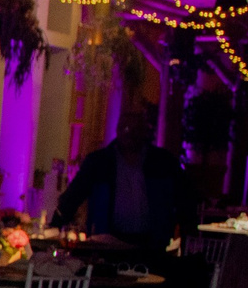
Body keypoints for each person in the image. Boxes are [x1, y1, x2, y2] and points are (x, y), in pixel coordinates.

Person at [54, 102, 195, 254]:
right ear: (118, 130)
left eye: (136, 130)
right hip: (107, 243)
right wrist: (55, 225)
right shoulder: (99, 162)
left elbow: (183, 196)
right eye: (126, 128)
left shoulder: (162, 162)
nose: (130, 134)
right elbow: (74, 195)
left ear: (144, 132)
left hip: (151, 244)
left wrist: (187, 230)